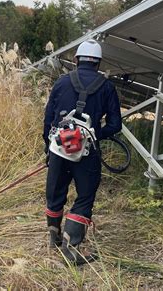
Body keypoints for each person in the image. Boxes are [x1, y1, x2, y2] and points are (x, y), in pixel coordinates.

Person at [43, 39, 122, 265]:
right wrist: (93, 133)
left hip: (58, 148)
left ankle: (54, 236)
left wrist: (47, 147)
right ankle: (70, 247)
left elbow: (48, 119)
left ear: (76, 60)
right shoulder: (107, 87)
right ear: (98, 63)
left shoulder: (61, 82)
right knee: (85, 196)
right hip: (87, 154)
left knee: (55, 191)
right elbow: (116, 125)